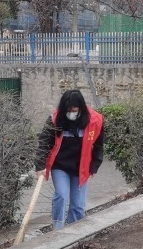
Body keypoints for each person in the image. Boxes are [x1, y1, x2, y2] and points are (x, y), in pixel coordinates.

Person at [34, 90, 105, 230]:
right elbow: (44, 142)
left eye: (74, 110)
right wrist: (40, 165)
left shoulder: (95, 120)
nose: (71, 113)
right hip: (60, 166)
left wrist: (94, 166)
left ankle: (73, 231)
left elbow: (98, 145)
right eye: (68, 110)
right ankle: (57, 229)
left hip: (81, 167)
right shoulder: (55, 119)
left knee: (78, 206)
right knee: (61, 195)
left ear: (81, 108)